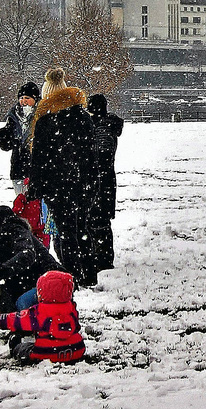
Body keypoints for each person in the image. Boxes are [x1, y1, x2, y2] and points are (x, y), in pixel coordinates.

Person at [28, 69, 107, 285]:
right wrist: (92, 183)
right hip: (84, 184)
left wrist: (35, 187)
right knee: (82, 229)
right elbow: (92, 156)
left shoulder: (45, 122)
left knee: (65, 232)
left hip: (57, 186)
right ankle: (89, 275)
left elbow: (39, 159)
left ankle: (71, 276)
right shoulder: (83, 117)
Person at [0, 269, 85, 365]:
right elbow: (76, 327)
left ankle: (15, 346)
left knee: (22, 348)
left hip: (47, 353)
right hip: (76, 349)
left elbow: (14, 319)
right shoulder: (72, 308)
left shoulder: (38, 312)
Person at [0, 205, 62, 313]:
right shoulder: (5, 232)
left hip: (53, 283)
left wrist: (0, 271)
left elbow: (26, 255)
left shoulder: (15, 231)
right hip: (38, 280)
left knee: (22, 305)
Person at [79, 93, 123, 287]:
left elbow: (101, 153)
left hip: (98, 181)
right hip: (103, 181)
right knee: (98, 221)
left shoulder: (101, 126)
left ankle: (102, 260)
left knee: (97, 221)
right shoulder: (107, 126)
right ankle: (101, 258)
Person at [0, 80, 40, 184]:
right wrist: (3, 136)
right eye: (21, 98)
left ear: (35, 99)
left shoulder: (41, 115)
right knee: (20, 199)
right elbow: (7, 145)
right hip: (18, 169)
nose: (23, 101)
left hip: (37, 170)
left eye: (27, 98)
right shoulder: (14, 116)